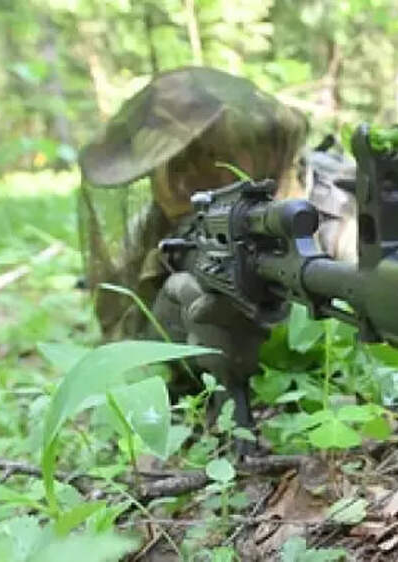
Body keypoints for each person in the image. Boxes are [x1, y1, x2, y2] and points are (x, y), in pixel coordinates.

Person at [77, 66, 356, 434]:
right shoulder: (154, 226)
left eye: (208, 157)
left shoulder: (332, 214)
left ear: (257, 150)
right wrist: (178, 328)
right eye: (171, 165)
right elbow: (126, 330)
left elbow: (369, 321)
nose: (184, 178)